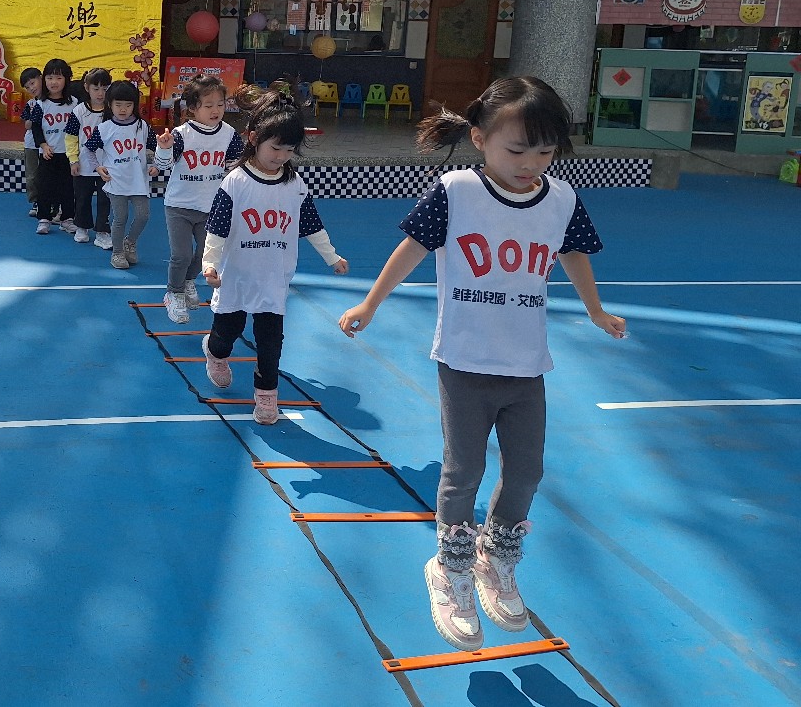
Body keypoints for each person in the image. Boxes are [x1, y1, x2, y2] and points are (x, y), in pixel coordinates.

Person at [337, 76, 626, 652]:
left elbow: (573, 253)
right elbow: (412, 249)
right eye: (516, 150)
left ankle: (497, 555)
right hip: (465, 362)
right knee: (463, 470)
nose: (530, 164)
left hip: (526, 366)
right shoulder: (458, 192)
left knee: (527, 471)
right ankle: (451, 567)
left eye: (544, 152)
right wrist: (370, 303)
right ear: (479, 138)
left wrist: (595, 310)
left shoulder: (561, 200)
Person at [202, 86, 348, 423]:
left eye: (289, 150)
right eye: (275, 147)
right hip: (235, 278)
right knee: (227, 334)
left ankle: (266, 396)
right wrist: (210, 263)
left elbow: (311, 224)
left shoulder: (294, 186)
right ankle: (215, 352)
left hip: (273, 280)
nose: (281, 156)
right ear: (254, 138)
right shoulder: (236, 182)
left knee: (270, 343)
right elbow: (217, 228)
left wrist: (331, 256)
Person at [152, 74, 244, 324]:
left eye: (220, 104)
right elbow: (163, 165)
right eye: (209, 105)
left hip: (211, 207)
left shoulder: (229, 134)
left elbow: (234, 168)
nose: (216, 110)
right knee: (181, 255)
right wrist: (164, 148)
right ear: (193, 108)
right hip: (179, 206)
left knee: (206, 255)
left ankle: (188, 281)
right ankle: (173, 293)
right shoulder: (182, 134)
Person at [85, 80, 158, 268]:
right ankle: (117, 253)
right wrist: (97, 167)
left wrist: (156, 164)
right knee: (120, 218)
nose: (123, 109)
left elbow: (158, 147)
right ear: (110, 105)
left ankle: (130, 242)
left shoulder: (142, 126)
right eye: (118, 104)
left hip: (138, 181)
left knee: (143, 216)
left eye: (128, 105)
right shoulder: (104, 128)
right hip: (116, 181)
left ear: (135, 105)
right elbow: (89, 149)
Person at [28, 58, 78, 235]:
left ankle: (67, 219)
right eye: (49, 78)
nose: (54, 82)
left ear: (66, 80)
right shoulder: (41, 104)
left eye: (58, 78)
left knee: (68, 187)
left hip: (69, 155)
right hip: (48, 154)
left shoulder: (74, 103)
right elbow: (35, 127)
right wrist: (43, 145)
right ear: (44, 80)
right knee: (45, 187)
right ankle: (44, 218)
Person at [64, 67, 112, 248]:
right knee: (82, 198)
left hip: (106, 165)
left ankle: (102, 232)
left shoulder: (112, 112)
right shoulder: (78, 111)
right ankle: (82, 227)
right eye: (96, 89)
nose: (100, 94)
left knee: (105, 199)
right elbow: (70, 137)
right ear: (86, 87)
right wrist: (73, 160)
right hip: (84, 165)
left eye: (105, 89)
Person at [19, 67, 43, 218]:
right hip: (32, 143)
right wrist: (34, 117)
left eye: (33, 83)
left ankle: (52, 202)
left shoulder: (54, 101)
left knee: (49, 175)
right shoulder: (31, 104)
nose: (31, 88)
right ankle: (36, 201)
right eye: (27, 87)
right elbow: (27, 125)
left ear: (41, 78)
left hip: (51, 143)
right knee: (32, 175)